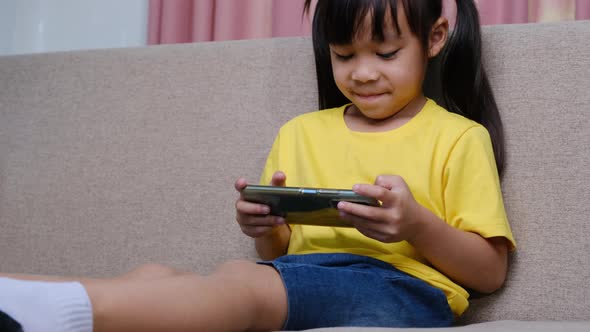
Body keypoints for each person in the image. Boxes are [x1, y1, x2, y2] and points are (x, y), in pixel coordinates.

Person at [0, 0, 515, 331]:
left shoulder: (459, 137)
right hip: (300, 272)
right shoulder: (301, 132)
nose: (362, 74)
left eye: (385, 52)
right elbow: (282, 254)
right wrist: (264, 226)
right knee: (157, 273)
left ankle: (54, 313)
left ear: (436, 38)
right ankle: (17, 293)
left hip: (406, 289)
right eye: (342, 54)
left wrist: (416, 224)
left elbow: (489, 273)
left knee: (241, 285)